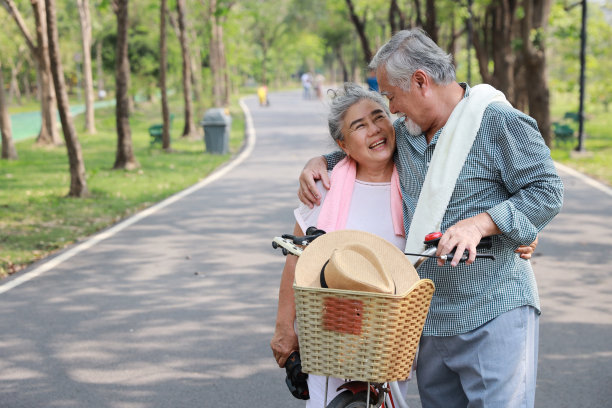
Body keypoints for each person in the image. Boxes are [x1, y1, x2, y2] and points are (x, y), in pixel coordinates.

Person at [297, 29, 562, 408]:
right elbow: (361, 150)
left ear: (420, 81)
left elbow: (547, 191)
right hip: (428, 320)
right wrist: (319, 162)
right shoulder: (406, 135)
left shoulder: (497, 121)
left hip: (492, 308)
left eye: (391, 96)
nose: (392, 109)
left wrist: (481, 223)